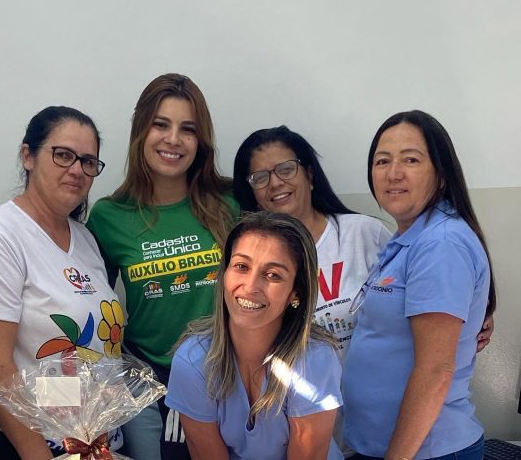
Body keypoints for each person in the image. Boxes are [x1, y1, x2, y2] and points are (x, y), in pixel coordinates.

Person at [0, 106, 123, 460]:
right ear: (28, 156)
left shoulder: (84, 239)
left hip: (96, 444)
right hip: (35, 448)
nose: (77, 170)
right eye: (63, 155)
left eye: (88, 161)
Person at [86, 73, 238, 459]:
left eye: (188, 129)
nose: (173, 139)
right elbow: (89, 302)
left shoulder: (230, 203)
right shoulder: (109, 216)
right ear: (141, 130)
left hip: (226, 377)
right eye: (160, 124)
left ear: (201, 141)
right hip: (148, 384)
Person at [343, 110, 497, 460]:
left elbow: (435, 371)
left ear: (441, 174)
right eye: (382, 161)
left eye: (410, 159)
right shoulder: (408, 239)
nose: (393, 173)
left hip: (425, 452)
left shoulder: (440, 244)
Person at [166, 212, 343, 460]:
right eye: (241, 266)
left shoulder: (315, 359)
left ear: (296, 292)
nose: (250, 287)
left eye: (273, 275)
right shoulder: (192, 360)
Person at [232, 126, 391, 357]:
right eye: (260, 178)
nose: (275, 183)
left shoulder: (364, 233)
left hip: (376, 379)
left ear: (309, 174)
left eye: (286, 169)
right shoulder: (250, 261)